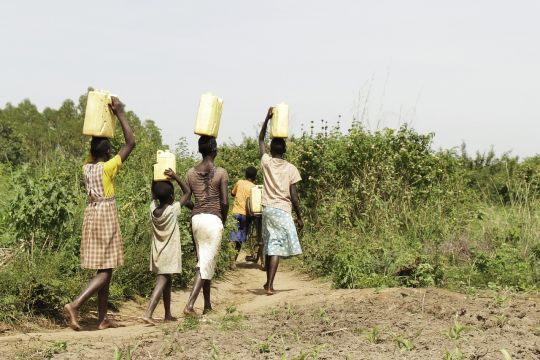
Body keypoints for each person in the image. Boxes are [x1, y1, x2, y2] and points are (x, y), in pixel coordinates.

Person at [64, 97, 136, 330]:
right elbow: (131, 142)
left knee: (103, 267)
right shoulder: (108, 167)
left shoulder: (87, 166)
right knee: (107, 269)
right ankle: (75, 305)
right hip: (105, 215)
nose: (112, 148)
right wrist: (120, 113)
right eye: (109, 147)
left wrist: (101, 120)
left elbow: (94, 148)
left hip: (91, 214)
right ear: (106, 151)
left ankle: (102, 318)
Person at [258, 107, 303, 296]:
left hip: (268, 209)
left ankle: (267, 282)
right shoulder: (291, 168)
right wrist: (300, 216)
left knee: (270, 245)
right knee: (275, 246)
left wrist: (267, 119)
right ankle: (269, 286)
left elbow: (260, 140)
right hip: (282, 209)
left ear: (272, 149)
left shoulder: (266, 162)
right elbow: (293, 195)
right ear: (284, 150)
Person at [183, 135, 229, 315]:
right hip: (213, 220)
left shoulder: (190, 173)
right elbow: (224, 202)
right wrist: (222, 220)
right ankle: (190, 305)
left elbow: (186, 199)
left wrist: (197, 208)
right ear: (215, 150)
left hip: (196, 220)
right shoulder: (221, 173)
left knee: (204, 260)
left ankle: (207, 305)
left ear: (200, 150)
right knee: (205, 262)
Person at [142, 169, 192, 326]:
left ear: (156, 196)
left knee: (167, 281)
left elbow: (153, 193)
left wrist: (156, 175)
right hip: (169, 253)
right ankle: (148, 313)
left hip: (158, 253)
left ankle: (167, 314)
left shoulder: (152, 209)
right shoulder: (172, 210)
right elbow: (188, 192)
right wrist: (176, 176)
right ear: (171, 197)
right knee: (162, 281)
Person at [229, 166, 257, 260]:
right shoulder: (254, 187)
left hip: (236, 212)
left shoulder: (239, 182)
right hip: (246, 215)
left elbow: (233, 193)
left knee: (232, 236)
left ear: (245, 175)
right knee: (240, 238)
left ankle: (229, 259)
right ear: (255, 177)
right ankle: (234, 259)